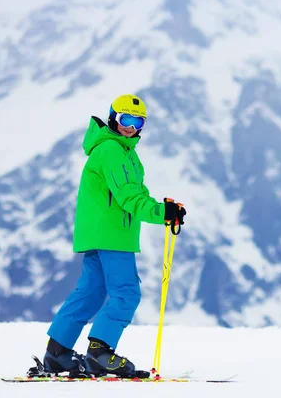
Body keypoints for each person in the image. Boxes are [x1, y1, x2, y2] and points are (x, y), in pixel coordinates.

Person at [42, 94, 187, 378]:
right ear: (112, 117)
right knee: (127, 292)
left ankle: (57, 353)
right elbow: (128, 196)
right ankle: (100, 352)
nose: (130, 127)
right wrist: (161, 213)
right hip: (112, 236)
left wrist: (164, 208)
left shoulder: (124, 152)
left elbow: (137, 193)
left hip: (101, 233)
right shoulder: (111, 150)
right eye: (125, 119)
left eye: (137, 121)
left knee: (91, 293)